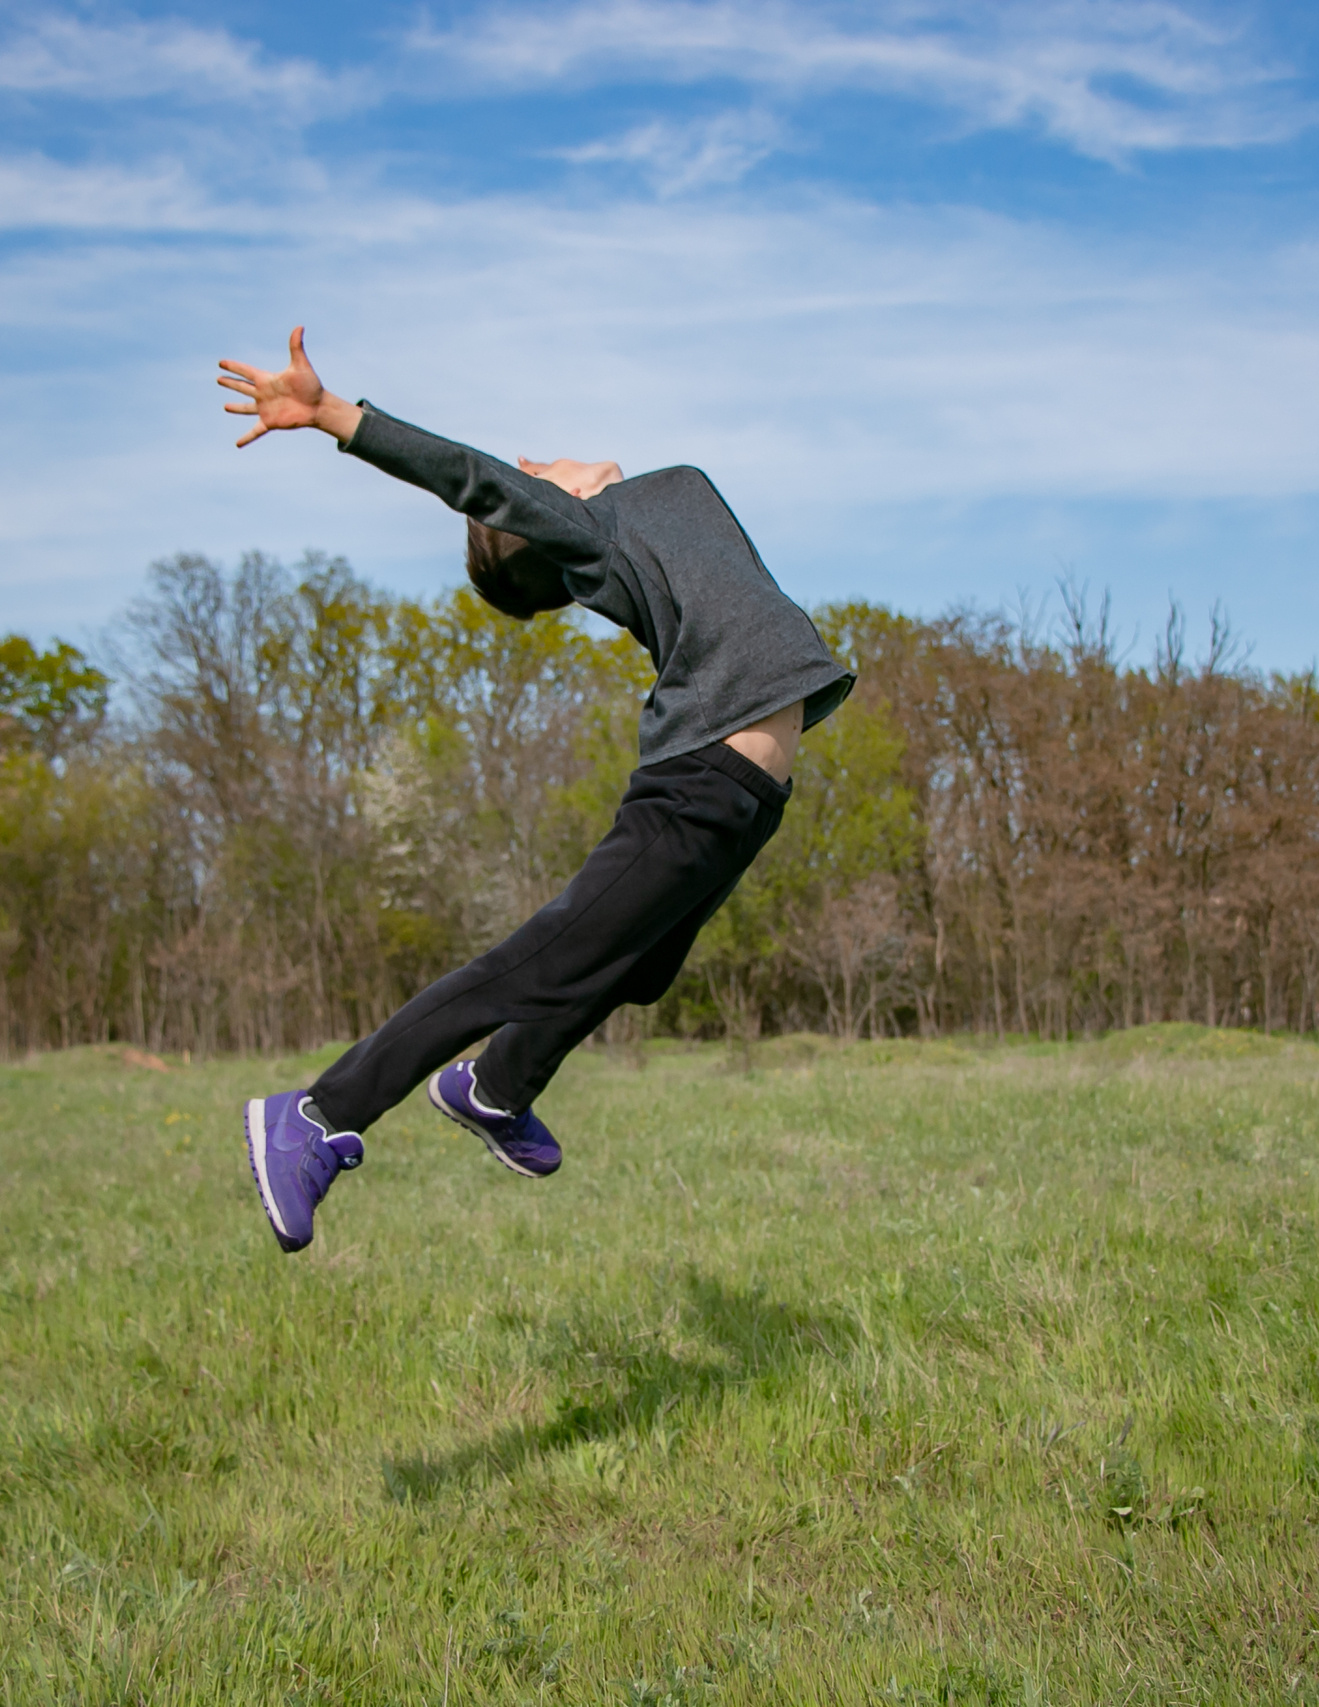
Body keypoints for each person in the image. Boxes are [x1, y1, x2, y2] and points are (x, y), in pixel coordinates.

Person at [216, 328, 855, 1253]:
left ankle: (496, 1085)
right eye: (535, 475)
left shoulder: (647, 511)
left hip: (744, 804)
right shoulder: (591, 532)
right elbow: (476, 478)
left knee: (636, 967)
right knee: (532, 964)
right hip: (697, 786)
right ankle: (315, 1114)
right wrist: (334, 417)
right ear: (540, 517)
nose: (533, 459)